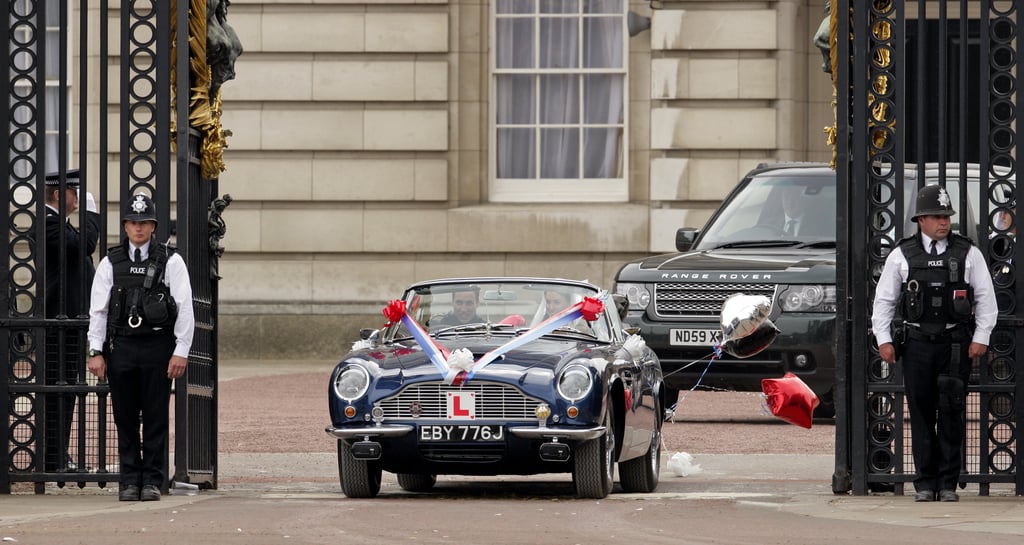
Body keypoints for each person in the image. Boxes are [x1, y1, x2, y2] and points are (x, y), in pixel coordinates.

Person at [871, 184, 997, 503]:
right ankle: (925, 482)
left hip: (955, 343)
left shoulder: (968, 252)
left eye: (946, 216)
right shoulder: (903, 254)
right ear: (920, 220)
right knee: (922, 413)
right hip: (915, 344)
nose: (944, 222)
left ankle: (949, 483)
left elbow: (985, 299)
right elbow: (884, 302)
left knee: (952, 412)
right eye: (936, 216)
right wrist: (884, 339)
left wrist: (981, 337)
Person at [86, 193, 194, 502]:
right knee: (125, 417)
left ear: (153, 226)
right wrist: (96, 351)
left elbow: (185, 308)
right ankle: (129, 480)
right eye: (133, 223)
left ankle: (152, 481)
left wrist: (181, 350)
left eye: (144, 223)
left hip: (158, 346)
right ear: (125, 226)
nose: (138, 229)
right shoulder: (111, 262)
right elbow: (99, 310)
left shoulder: (170, 260)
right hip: (122, 347)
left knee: (156, 416)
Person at [41, 169, 100, 472]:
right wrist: (91, 212)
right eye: (73, 192)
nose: (77, 197)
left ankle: (55, 455)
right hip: (56, 322)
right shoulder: (49, 225)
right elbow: (85, 247)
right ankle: (52, 456)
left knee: (66, 389)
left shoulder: (60, 225)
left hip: (71, 322)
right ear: (56, 195)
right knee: (57, 391)